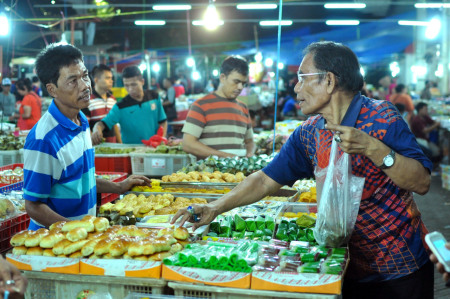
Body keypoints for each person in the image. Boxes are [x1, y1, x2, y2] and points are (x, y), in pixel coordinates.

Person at [173, 41, 434, 299]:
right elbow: (264, 180)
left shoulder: (382, 117)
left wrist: (374, 149)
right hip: (344, 266)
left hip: (400, 265)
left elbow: (421, 182)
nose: (295, 87)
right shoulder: (308, 133)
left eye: (302, 78)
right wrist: (215, 207)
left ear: (329, 81)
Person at [23, 43, 151, 230]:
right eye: (73, 81)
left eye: (84, 76)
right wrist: (75, 229)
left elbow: (82, 179)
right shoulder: (44, 139)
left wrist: (119, 187)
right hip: (57, 245)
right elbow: (33, 206)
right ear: (52, 90)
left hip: (83, 236)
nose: (85, 86)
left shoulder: (81, 121)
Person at [181, 56, 256, 159]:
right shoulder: (201, 106)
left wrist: (250, 153)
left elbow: (250, 142)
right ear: (222, 78)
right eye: (236, 82)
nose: (240, 87)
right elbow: (188, 144)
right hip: (210, 174)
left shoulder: (243, 107)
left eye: (243, 83)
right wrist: (224, 156)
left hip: (240, 173)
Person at [92, 65, 167, 145]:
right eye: (126, 85)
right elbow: (102, 124)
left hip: (153, 149)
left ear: (142, 81)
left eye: (133, 85)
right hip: (131, 153)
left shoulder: (154, 97)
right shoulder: (120, 106)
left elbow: (163, 121)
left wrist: (161, 140)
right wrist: (97, 128)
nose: (130, 89)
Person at [82, 64, 121, 143]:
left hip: (113, 147)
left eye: (111, 78)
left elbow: (114, 124)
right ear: (96, 80)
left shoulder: (112, 99)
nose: (111, 81)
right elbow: (85, 126)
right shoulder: (87, 101)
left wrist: (120, 143)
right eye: (107, 78)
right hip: (97, 149)